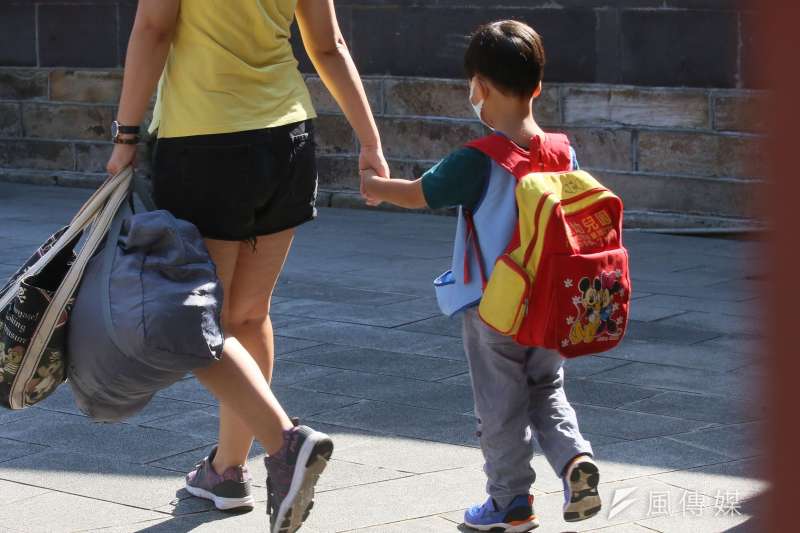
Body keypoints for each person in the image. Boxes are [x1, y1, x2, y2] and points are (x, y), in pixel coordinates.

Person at [105, 1, 389, 532]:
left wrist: (125, 135)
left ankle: (286, 444)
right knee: (248, 314)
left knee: (192, 323)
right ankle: (227, 472)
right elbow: (328, 46)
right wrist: (369, 141)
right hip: (288, 137)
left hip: (205, 140)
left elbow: (153, 27)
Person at [360, 20, 601, 532]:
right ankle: (575, 461)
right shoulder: (564, 151)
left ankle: (509, 503)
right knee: (547, 388)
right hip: (554, 303)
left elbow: (418, 192)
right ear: (537, 86)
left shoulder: (478, 159)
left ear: (480, 88)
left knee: (501, 406)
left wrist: (377, 185)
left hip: (496, 308)